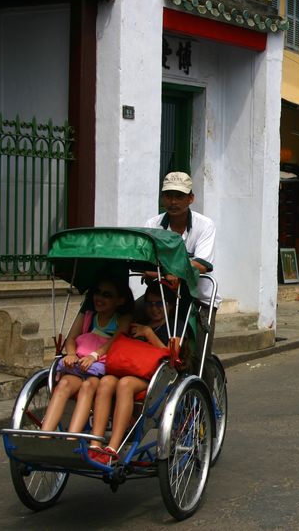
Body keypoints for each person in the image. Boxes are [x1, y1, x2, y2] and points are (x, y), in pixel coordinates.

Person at [88, 281, 179, 464]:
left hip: (154, 376)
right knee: (106, 382)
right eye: (150, 304)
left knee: (125, 384)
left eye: (159, 304)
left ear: (169, 306)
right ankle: (95, 444)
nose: (154, 309)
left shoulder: (175, 326)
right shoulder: (139, 322)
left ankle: (113, 447)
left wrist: (149, 333)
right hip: (129, 368)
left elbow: (173, 359)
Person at [41, 273, 134, 434]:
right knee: (63, 384)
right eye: (97, 293)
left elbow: (115, 341)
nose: (99, 298)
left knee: (88, 386)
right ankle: (44, 434)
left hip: (102, 369)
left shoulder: (122, 319)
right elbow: (71, 338)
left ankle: (72, 437)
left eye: (107, 295)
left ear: (120, 301)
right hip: (79, 365)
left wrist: (94, 356)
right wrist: (71, 354)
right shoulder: (88, 316)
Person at [146, 172, 220, 308]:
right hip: (161, 298)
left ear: (191, 198)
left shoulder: (205, 225)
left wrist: (168, 271)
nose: (173, 202)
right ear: (162, 198)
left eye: (179, 196)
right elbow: (147, 264)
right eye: (168, 196)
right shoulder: (152, 225)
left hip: (199, 299)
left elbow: (201, 265)